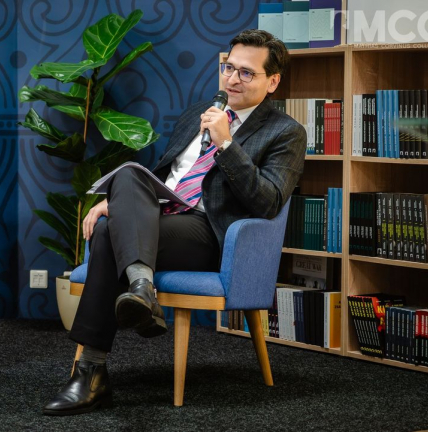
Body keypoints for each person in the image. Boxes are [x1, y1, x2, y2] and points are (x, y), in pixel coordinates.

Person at [43, 29, 307, 415]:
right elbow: (164, 177)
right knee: (126, 178)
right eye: (228, 68)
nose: (232, 79)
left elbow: (267, 203)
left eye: (246, 73)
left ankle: (90, 374)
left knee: (105, 234)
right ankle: (142, 288)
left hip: (210, 232)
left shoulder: (286, 132)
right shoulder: (198, 112)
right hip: (163, 218)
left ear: (273, 82)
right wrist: (118, 203)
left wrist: (227, 144)